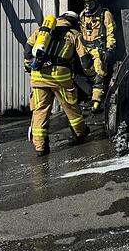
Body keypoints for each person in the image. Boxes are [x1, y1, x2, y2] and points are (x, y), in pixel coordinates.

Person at [24, 11, 94, 156]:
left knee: (40, 110)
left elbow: (28, 50)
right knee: (70, 107)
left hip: (38, 76)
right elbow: (85, 60)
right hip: (60, 78)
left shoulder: (42, 30)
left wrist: (28, 65)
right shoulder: (74, 34)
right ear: (73, 22)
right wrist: (92, 75)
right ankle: (80, 132)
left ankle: (40, 147)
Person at [78, 0, 116, 113]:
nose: (88, 5)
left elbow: (110, 32)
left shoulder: (105, 14)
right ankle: (93, 96)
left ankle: (96, 103)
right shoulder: (83, 15)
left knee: (100, 73)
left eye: (90, 2)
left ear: (96, 2)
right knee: (87, 72)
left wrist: (109, 49)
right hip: (85, 49)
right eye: (86, 2)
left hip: (98, 49)